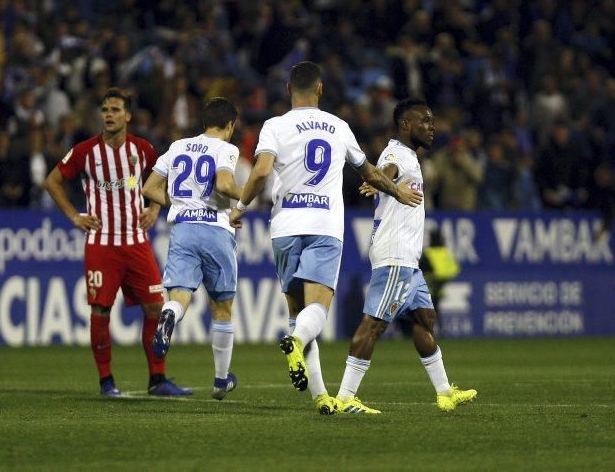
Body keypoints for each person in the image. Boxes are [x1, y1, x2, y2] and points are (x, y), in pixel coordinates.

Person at [228, 61, 423, 414]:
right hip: (324, 227)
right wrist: (398, 192)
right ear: (320, 89)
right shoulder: (338, 126)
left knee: (297, 311)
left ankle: (321, 398)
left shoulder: (274, 125)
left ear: (288, 88)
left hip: (285, 226)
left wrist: (241, 205)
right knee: (316, 310)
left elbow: (260, 172)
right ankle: (296, 342)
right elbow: (370, 173)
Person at [44, 87, 191, 398]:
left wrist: (154, 208)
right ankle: (106, 382)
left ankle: (158, 380)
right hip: (102, 243)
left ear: (128, 116)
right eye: (105, 110)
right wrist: (75, 217)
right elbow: (52, 181)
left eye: (114, 110)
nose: (108, 115)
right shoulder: (86, 151)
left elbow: (161, 180)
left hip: (136, 242)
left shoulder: (143, 150)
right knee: (101, 310)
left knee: (156, 308)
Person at [335, 98, 477, 413]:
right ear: (405, 124)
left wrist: (381, 182)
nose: (432, 127)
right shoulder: (397, 153)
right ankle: (345, 397)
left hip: (409, 261)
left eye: (433, 121)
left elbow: (387, 172)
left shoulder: (410, 157)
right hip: (395, 255)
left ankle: (444, 392)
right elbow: (386, 169)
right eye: (424, 121)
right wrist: (379, 181)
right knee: (373, 324)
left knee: (425, 319)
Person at [142, 97, 243, 401]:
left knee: (179, 297)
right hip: (215, 230)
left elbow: (148, 188)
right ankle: (220, 380)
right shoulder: (226, 149)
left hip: (183, 229)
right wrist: (247, 198)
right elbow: (225, 185)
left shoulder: (177, 147)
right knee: (222, 307)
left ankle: (168, 316)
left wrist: (182, 205)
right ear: (230, 125)